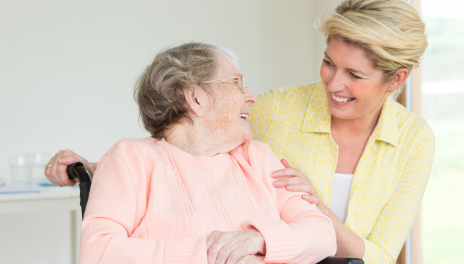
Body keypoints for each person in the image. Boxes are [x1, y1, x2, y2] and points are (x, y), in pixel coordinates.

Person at [45, 0, 434, 263]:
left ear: (396, 79)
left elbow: (363, 249)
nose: (333, 83)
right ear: (196, 98)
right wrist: (97, 168)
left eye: (354, 74)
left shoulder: (258, 155)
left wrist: (262, 238)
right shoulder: (273, 113)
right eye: (329, 63)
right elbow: (181, 143)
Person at [72, 42, 336, 264]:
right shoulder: (131, 159)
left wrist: (257, 240)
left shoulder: (257, 157)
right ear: (196, 98)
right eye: (238, 84)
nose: (251, 97)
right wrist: (213, 253)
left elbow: (323, 234)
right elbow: (99, 251)